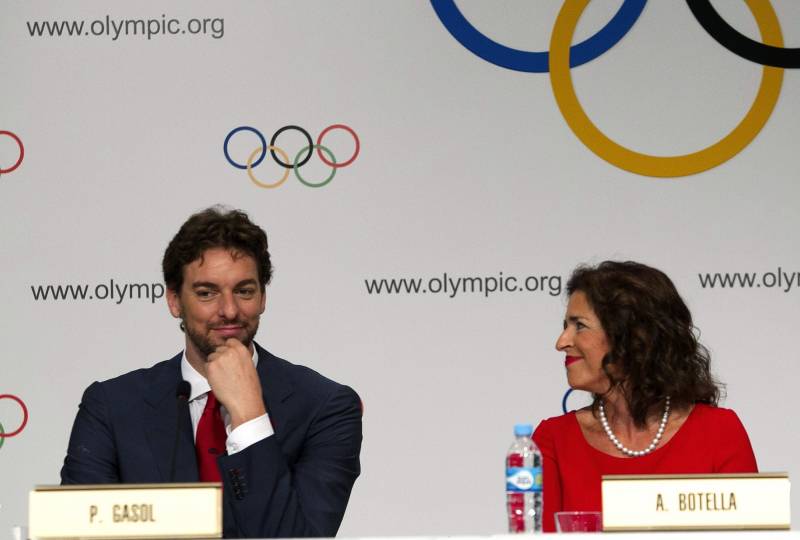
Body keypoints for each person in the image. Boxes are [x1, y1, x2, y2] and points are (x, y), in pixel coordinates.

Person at [61, 206, 362, 538]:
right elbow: (79, 531)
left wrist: (250, 415)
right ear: (174, 300)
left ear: (263, 297)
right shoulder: (112, 406)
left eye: (244, 290)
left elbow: (298, 537)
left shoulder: (326, 406)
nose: (229, 310)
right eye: (207, 293)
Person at [534, 261, 756, 533]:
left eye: (579, 326)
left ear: (635, 336)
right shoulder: (553, 440)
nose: (561, 342)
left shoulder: (719, 432)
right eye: (565, 326)